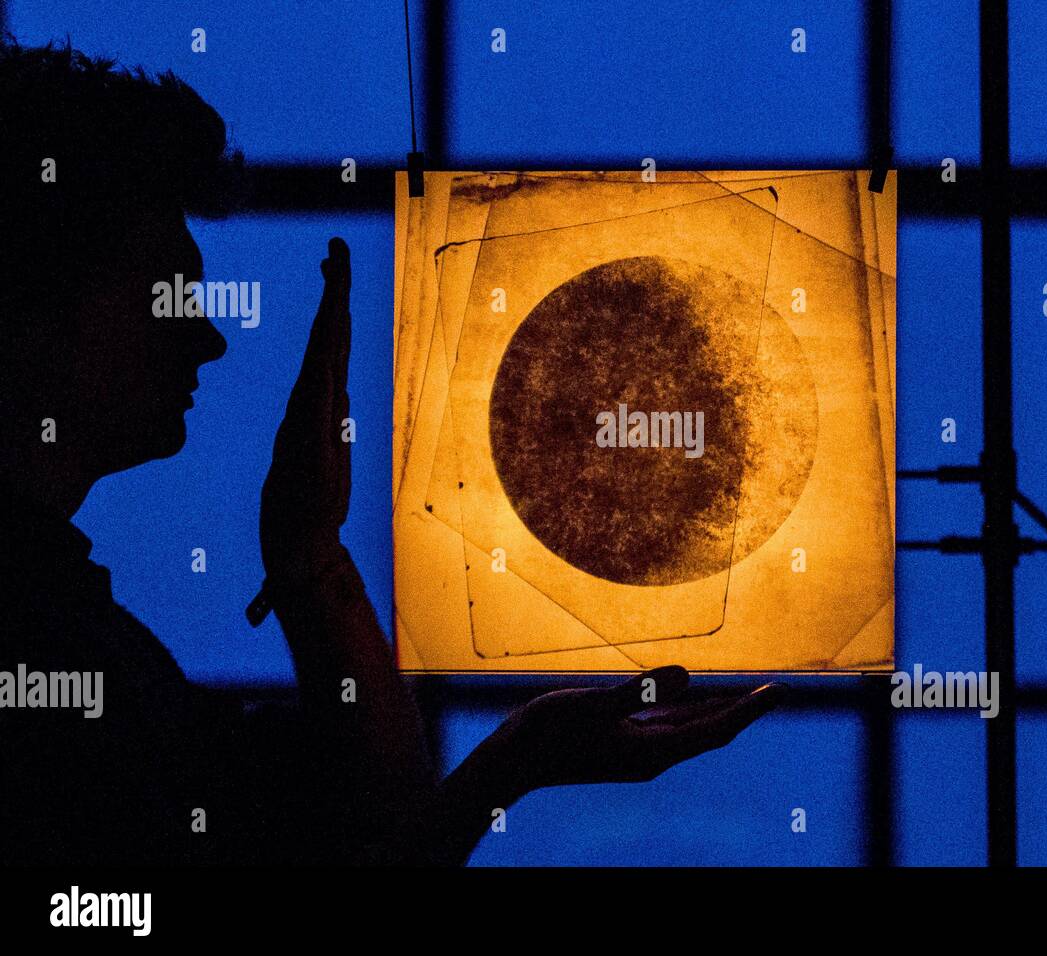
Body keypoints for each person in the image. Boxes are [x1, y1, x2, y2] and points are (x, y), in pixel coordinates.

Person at [0, 40, 785, 865]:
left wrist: (312, 556)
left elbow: (355, 837)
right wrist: (508, 764)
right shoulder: (48, 646)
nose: (209, 340)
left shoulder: (66, 628)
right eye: (165, 298)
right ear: (29, 302)